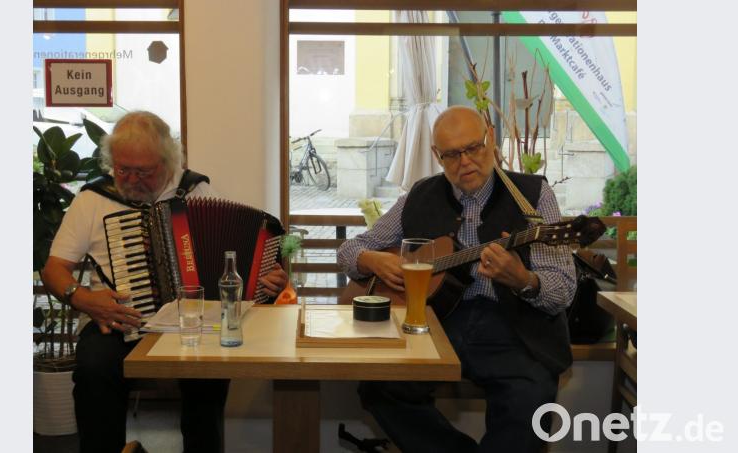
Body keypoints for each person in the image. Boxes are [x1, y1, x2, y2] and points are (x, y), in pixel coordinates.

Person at [41, 111, 288, 453]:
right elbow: (54, 268)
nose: (131, 179)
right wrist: (81, 297)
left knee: (209, 379)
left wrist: (265, 277)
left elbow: (233, 259)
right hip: (116, 317)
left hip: (193, 321)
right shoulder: (93, 200)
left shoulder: (196, 189)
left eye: (144, 171)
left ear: (169, 161)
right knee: (94, 369)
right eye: (123, 168)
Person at [337, 106, 576, 452]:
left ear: (490, 138)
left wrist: (524, 279)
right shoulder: (420, 195)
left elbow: (563, 288)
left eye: (473, 148)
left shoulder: (534, 195)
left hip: (513, 326)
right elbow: (351, 249)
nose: (464, 162)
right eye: (451, 155)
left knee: (531, 400)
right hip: (435, 324)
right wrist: (371, 259)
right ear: (437, 155)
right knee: (378, 386)